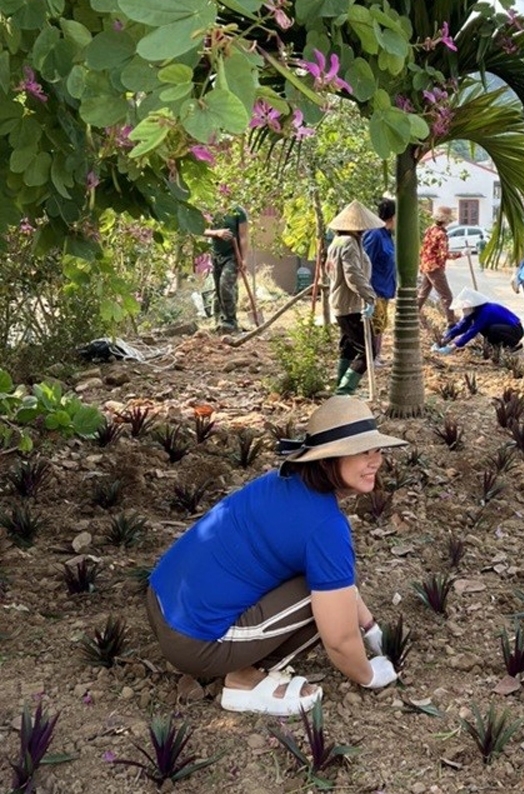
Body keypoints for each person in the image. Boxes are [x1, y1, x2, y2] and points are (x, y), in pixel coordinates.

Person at [146, 397, 405, 716]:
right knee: (322, 598)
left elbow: (339, 582)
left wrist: (370, 628)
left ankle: (240, 660)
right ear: (327, 459)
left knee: (329, 580)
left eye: (376, 449)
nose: (375, 461)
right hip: (194, 642)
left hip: (160, 601)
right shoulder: (325, 527)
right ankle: (244, 681)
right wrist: (368, 674)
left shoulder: (283, 481)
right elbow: (338, 638)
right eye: (361, 451)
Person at [327, 200, 382, 395]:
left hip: (341, 303)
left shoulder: (337, 242)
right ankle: (344, 391)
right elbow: (353, 274)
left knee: (348, 347)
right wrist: (369, 297)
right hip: (349, 305)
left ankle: (340, 388)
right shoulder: (349, 243)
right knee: (368, 351)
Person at [432, 287, 524, 354]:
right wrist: (445, 340)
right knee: (487, 330)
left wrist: (453, 347)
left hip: (515, 330)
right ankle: (497, 347)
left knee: (493, 329)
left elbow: (472, 331)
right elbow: (462, 326)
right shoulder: (474, 312)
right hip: (505, 328)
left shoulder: (485, 311)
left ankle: (516, 345)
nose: (463, 310)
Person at [362, 198, 397, 368]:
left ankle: (377, 355)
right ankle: (371, 357)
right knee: (374, 324)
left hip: (385, 287)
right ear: (393, 216)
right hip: (375, 288)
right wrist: (367, 291)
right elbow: (366, 261)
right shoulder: (375, 234)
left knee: (381, 324)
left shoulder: (387, 236)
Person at [203, 205, 249, 333]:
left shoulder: (238, 212)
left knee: (225, 285)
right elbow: (200, 230)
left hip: (233, 255)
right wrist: (217, 233)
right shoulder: (210, 210)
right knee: (218, 289)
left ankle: (230, 321)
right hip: (216, 256)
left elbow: (244, 236)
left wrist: (244, 259)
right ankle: (219, 321)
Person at [417, 206, 462, 325]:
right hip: (435, 268)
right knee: (447, 296)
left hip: (426, 266)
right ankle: (451, 323)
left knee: (423, 293)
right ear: (446, 220)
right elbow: (444, 254)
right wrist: (461, 254)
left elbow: (424, 250)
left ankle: (412, 315)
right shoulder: (441, 234)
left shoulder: (429, 230)